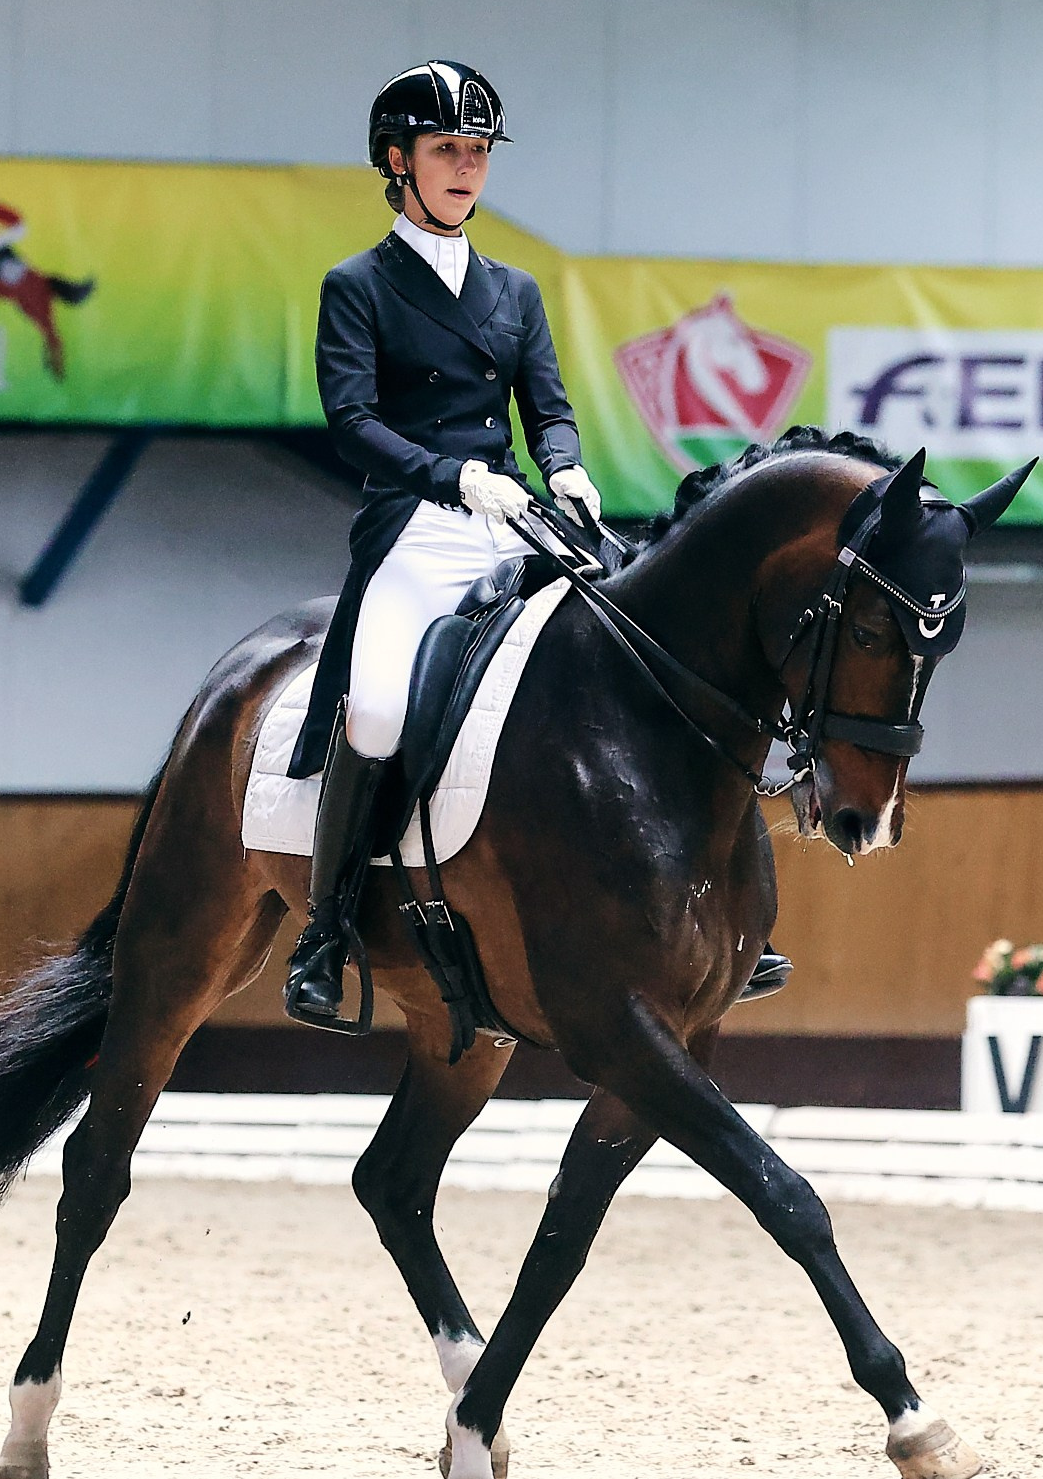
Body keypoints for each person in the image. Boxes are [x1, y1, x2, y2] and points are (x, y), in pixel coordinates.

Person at [282, 60, 786, 1026]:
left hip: (517, 519)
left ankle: (721, 910)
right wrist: (451, 475)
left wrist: (564, 468)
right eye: (446, 150)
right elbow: (350, 420)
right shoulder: (357, 287)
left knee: (646, 661)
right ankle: (327, 928)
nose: (466, 168)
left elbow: (547, 409)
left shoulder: (514, 292)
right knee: (380, 709)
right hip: (419, 530)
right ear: (399, 162)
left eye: (477, 152)